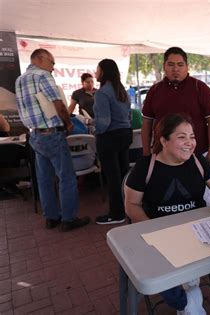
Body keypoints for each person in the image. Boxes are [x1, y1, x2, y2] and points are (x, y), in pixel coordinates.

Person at [125, 114, 210, 315]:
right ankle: (186, 301)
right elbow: (131, 206)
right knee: (157, 270)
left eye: (192, 136)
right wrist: (155, 231)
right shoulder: (145, 167)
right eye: (182, 137)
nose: (190, 143)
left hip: (198, 233)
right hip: (160, 236)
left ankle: (189, 290)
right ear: (163, 140)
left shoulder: (198, 162)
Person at [15, 48, 90, 231]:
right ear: (40, 59)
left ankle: (51, 218)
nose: (53, 68)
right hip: (52, 132)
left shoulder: (19, 80)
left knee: (44, 178)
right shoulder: (43, 76)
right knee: (66, 178)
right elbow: (59, 105)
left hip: (35, 135)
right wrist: (68, 124)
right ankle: (69, 219)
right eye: (52, 63)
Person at [141, 47, 210, 165]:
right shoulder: (155, 90)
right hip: (162, 157)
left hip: (195, 155)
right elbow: (146, 123)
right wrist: (146, 151)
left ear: (187, 66)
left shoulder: (200, 88)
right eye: (171, 64)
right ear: (164, 66)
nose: (175, 69)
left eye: (180, 65)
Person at [93, 59, 132, 225]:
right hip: (125, 134)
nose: (95, 72)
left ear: (103, 71)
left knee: (112, 177)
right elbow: (128, 115)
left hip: (109, 138)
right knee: (123, 175)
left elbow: (104, 122)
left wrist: (95, 128)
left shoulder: (102, 93)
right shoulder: (121, 90)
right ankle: (127, 208)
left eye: (97, 69)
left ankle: (116, 214)